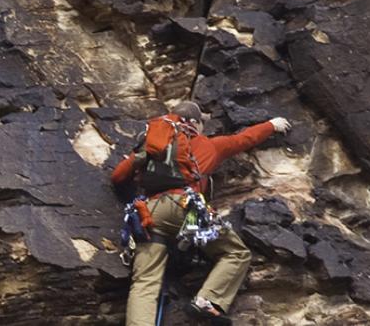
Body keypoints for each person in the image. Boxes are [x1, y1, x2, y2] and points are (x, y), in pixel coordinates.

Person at [111, 101, 291, 325]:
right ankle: (207, 300)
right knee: (235, 253)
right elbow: (243, 139)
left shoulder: (151, 146)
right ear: (194, 123)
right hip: (187, 208)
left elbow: (118, 176)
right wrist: (271, 125)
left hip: (149, 213)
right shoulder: (208, 145)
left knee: (144, 281)